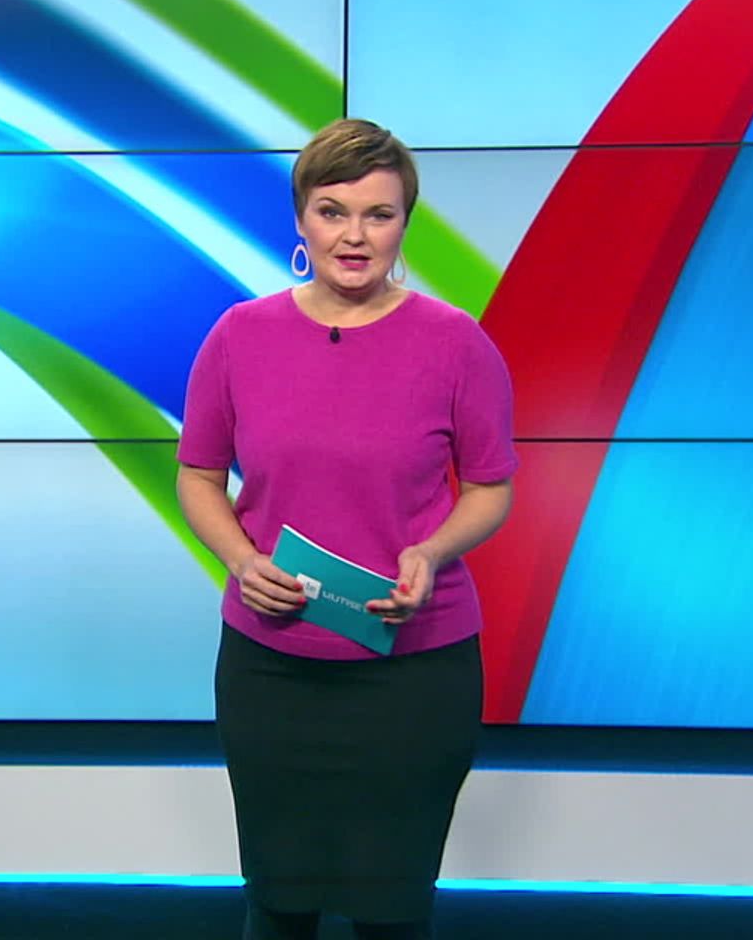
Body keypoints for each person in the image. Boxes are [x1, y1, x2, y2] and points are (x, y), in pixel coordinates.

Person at [175, 118, 518, 940]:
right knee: (279, 905)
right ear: (302, 218)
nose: (354, 236)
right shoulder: (239, 336)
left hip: (414, 674)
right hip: (272, 669)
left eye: (378, 214)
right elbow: (197, 477)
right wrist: (242, 559)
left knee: (390, 911)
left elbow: (490, 488)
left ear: (404, 225)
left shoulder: (456, 344)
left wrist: (431, 550)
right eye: (333, 212)